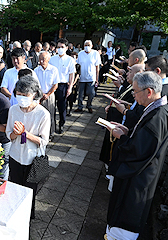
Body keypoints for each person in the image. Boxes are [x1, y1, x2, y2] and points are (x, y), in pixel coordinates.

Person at [105, 71, 168, 240]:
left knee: (123, 224)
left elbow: (139, 152)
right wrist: (128, 131)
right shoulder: (156, 109)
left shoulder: (157, 118)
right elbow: (142, 139)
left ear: (149, 92)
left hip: (138, 181)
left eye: (135, 91)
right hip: (140, 176)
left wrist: (122, 137)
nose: (133, 95)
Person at [5, 75, 51, 219]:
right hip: (15, 155)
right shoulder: (13, 110)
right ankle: (14, 214)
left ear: (34, 94)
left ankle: (27, 217)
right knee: (15, 187)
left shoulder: (43, 114)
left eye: (25, 95)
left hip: (33, 159)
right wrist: (15, 133)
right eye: (19, 95)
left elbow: (43, 141)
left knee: (29, 191)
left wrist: (25, 133)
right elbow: (8, 135)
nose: (21, 98)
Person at [49, 38, 76, 134]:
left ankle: (61, 124)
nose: (60, 49)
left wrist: (70, 88)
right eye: (58, 47)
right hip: (52, 85)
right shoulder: (52, 59)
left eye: (62, 47)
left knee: (62, 107)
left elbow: (72, 74)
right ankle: (52, 125)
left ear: (66, 48)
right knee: (52, 106)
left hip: (63, 85)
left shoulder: (70, 60)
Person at [34, 51, 59, 139]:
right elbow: (35, 84)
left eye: (43, 59)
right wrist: (40, 93)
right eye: (40, 59)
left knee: (50, 114)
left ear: (48, 59)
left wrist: (48, 94)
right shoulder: (36, 70)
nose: (41, 61)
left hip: (50, 95)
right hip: (39, 95)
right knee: (39, 115)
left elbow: (55, 84)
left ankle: (51, 133)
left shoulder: (53, 69)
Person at [75, 40, 101, 113]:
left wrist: (96, 78)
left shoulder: (95, 53)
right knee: (80, 93)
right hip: (82, 77)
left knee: (91, 93)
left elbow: (97, 67)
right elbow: (78, 65)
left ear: (92, 46)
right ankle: (80, 106)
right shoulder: (80, 54)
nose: (87, 47)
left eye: (88, 45)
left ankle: (89, 105)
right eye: (86, 45)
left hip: (91, 77)